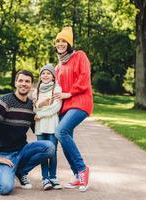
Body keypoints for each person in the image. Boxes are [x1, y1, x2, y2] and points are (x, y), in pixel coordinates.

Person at [0, 70, 55, 195]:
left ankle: (20, 171)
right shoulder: (4, 101)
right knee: (6, 188)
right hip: (3, 154)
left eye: (27, 81)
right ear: (15, 83)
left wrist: (44, 115)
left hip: (21, 150)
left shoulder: (31, 105)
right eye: (21, 81)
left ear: (31, 85)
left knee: (50, 147)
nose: (24, 84)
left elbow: (37, 130)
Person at [52, 27, 93, 192]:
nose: (61, 44)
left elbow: (84, 77)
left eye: (64, 41)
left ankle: (82, 169)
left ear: (69, 43)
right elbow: (56, 89)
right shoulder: (58, 66)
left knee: (61, 132)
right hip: (65, 107)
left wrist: (69, 93)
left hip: (80, 102)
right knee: (63, 137)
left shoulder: (79, 56)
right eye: (58, 41)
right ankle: (77, 175)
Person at [32, 64, 62, 190]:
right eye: (43, 73)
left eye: (48, 73)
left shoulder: (57, 89)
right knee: (43, 152)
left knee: (53, 152)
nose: (45, 75)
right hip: (40, 127)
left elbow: (56, 107)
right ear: (40, 76)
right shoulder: (36, 91)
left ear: (53, 77)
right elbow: (33, 107)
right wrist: (40, 105)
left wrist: (40, 112)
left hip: (52, 125)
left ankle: (53, 177)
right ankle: (45, 179)